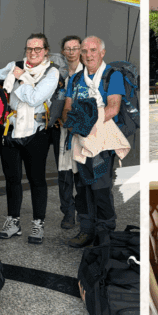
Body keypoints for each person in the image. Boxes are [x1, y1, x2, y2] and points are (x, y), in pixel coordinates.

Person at [0, 34, 60, 244]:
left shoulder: (52, 72)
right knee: (12, 180)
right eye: (29, 48)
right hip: (10, 132)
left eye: (38, 49)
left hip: (37, 133)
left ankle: (38, 223)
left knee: (36, 180)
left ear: (46, 51)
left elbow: (34, 98)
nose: (33, 53)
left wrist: (21, 77)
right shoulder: (15, 65)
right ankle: (13, 222)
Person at [62, 36, 128, 248]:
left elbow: (113, 108)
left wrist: (84, 124)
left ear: (102, 53)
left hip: (101, 142)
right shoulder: (75, 78)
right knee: (81, 188)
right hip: (80, 141)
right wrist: (71, 124)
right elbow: (68, 108)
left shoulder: (112, 76)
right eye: (84, 51)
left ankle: (105, 231)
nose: (88, 55)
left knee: (100, 187)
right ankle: (86, 229)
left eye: (93, 50)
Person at [52, 36, 86, 231]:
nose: (72, 52)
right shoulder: (57, 72)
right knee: (64, 174)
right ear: (63, 51)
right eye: (68, 48)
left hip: (82, 130)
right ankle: (68, 213)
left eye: (76, 48)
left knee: (82, 173)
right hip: (61, 129)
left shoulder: (89, 71)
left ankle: (83, 212)